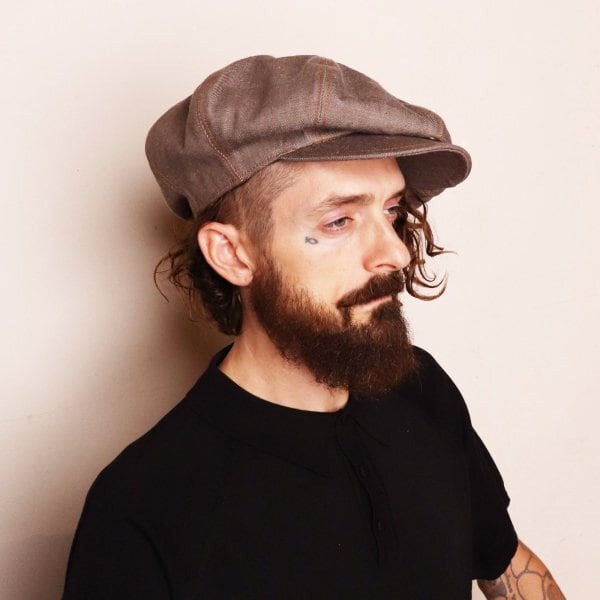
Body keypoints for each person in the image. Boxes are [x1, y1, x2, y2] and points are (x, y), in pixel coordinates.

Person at [63, 55, 565, 599]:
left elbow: (503, 562)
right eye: (339, 220)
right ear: (232, 254)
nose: (396, 253)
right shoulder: (142, 509)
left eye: (391, 211)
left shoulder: (421, 389)